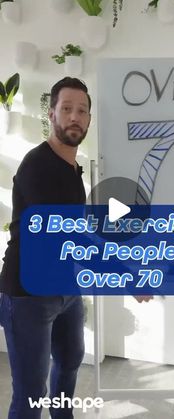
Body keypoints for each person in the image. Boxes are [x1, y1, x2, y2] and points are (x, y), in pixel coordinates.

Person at [0, 77, 92, 419]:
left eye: (81, 110)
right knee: (30, 396)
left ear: (88, 120)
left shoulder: (72, 169)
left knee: (69, 364)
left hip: (65, 290)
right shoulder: (37, 166)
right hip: (28, 297)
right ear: (51, 114)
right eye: (66, 108)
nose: (74, 117)